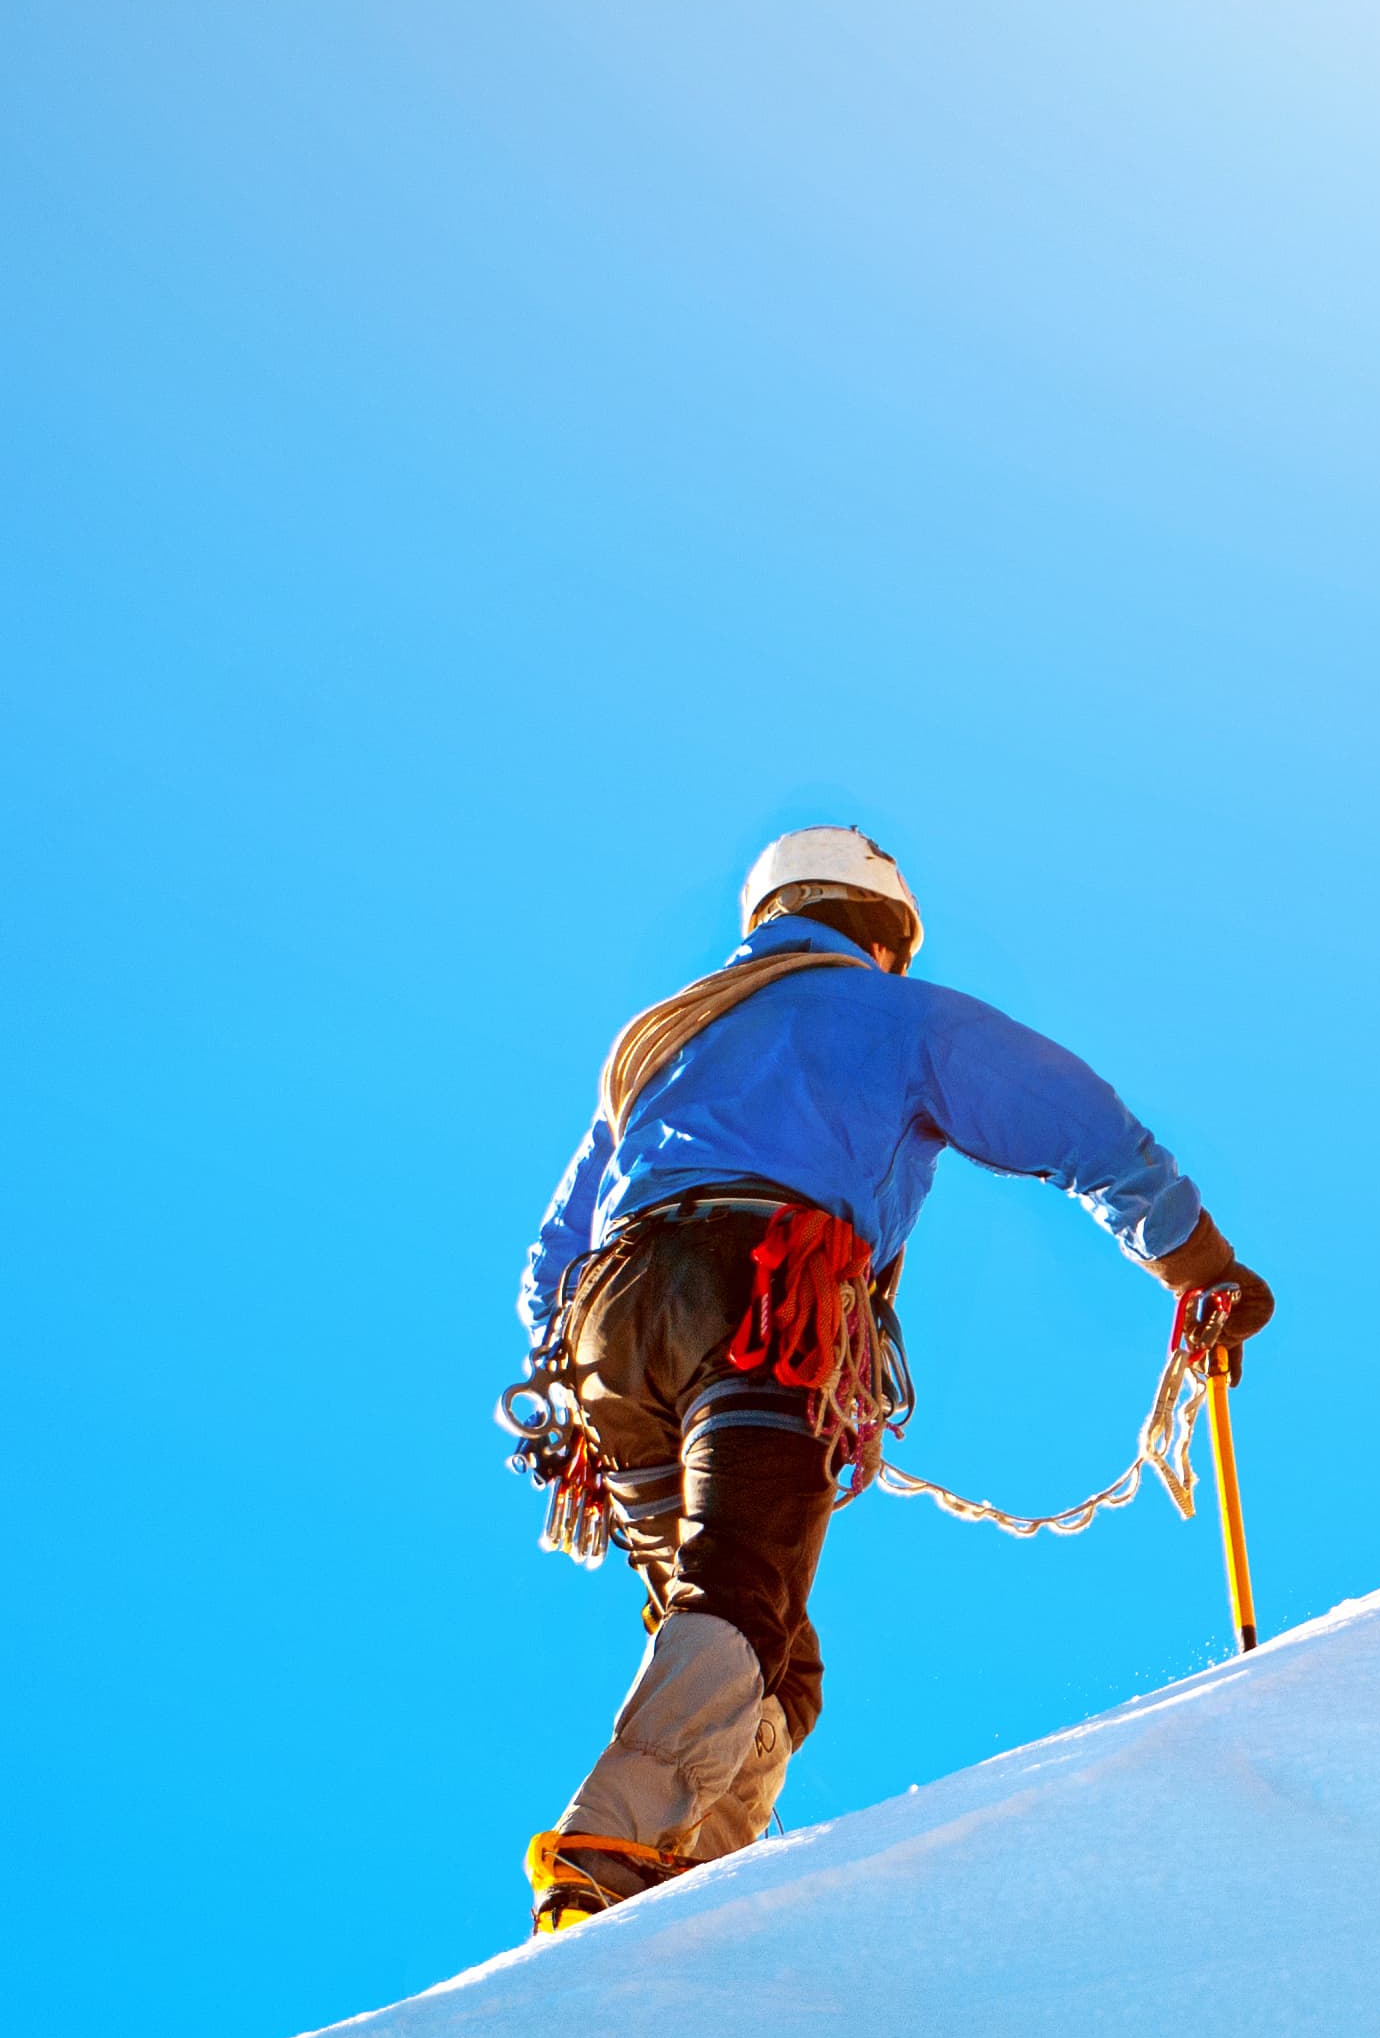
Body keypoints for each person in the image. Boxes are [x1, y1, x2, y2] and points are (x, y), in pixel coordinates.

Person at [511, 826, 1272, 1933]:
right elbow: (1071, 1119)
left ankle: (689, 1886)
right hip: (764, 1290)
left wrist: (574, 1376)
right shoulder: (888, 1012)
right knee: (743, 1583)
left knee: (774, 1653)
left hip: (609, 1338)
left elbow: (553, 1255)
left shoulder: (660, 1044)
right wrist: (1198, 1266)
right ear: (882, 931)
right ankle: (617, 1843)